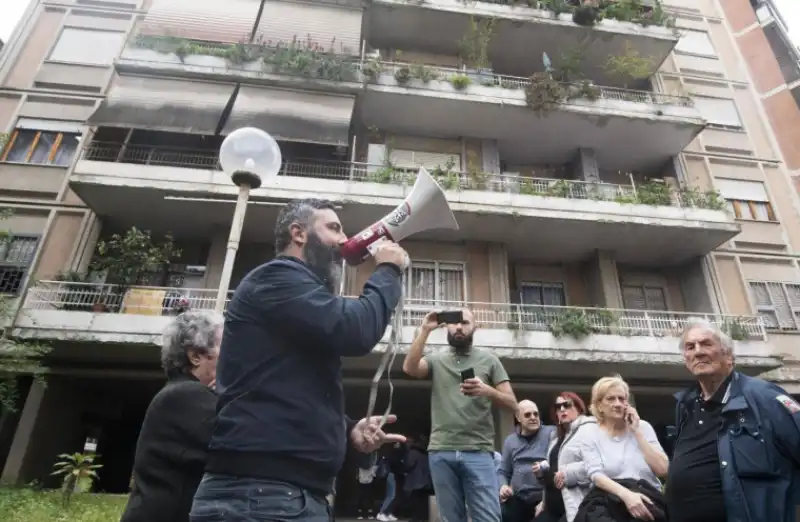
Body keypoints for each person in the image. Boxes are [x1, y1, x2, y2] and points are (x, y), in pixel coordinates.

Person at [191, 198, 409, 522]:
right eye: (334, 228)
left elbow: (291, 385)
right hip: (262, 493)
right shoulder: (277, 277)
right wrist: (388, 270)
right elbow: (355, 330)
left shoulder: (300, 294)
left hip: (281, 494)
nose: (342, 239)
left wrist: (348, 431)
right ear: (299, 233)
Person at [668, 318, 800, 522]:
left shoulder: (764, 397)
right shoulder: (684, 405)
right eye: (690, 347)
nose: (698, 351)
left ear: (729, 356)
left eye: (706, 344)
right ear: (686, 358)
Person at [403, 308, 517, 522]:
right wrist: (425, 330)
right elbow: (409, 368)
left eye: (464, 322)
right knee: (451, 519)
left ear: (475, 326)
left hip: (479, 451)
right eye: (454, 323)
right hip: (441, 451)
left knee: (488, 518)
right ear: (446, 326)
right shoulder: (436, 359)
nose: (458, 327)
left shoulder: (489, 360)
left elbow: (513, 404)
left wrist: (487, 390)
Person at [120, 311, 222, 522]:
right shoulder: (186, 395)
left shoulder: (183, 394)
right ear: (195, 356)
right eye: (226, 345)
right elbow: (239, 441)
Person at [575, 375, 669, 522]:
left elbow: (663, 470)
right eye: (611, 399)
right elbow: (596, 475)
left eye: (622, 398)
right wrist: (627, 496)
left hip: (647, 496)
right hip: (607, 499)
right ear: (599, 405)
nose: (618, 404)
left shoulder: (643, 427)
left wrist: (636, 432)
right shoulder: (589, 433)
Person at [535, 392, 594, 522]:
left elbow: (598, 465)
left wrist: (568, 474)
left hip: (575, 504)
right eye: (558, 407)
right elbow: (554, 471)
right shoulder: (555, 437)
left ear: (578, 408)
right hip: (552, 507)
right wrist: (542, 473)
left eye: (566, 405)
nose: (562, 409)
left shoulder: (589, 429)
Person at [498, 400, 555, 522]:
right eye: (527, 414)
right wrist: (503, 486)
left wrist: (545, 501)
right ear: (518, 418)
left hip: (544, 496)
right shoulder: (511, 441)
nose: (533, 417)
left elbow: (557, 462)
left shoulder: (551, 433)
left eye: (536, 414)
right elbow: (503, 471)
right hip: (519, 497)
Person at [356, 452, 378, 520]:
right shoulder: (372, 455)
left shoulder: (361, 454)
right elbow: (374, 467)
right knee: (369, 496)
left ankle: (360, 513)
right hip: (369, 478)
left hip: (361, 478)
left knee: (362, 496)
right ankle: (369, 513)